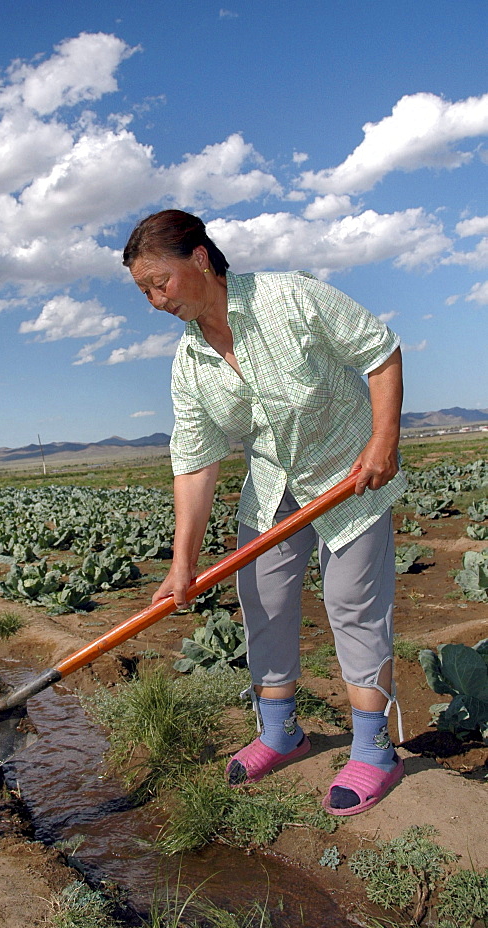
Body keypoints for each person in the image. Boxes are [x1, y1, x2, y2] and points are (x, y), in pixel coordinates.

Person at [122, 208, 407, 816]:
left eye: (158, 282)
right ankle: (280, 732)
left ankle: (374, 748)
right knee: (266, 602)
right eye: (143, 290)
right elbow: (195, 465)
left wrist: (382, 440)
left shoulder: (290, 298)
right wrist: (182, 566)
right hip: (274, 486)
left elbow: (380, 351)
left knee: (352, 605)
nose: (153, 300)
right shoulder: (190, 364)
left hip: (348, 478)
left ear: (199, 258)